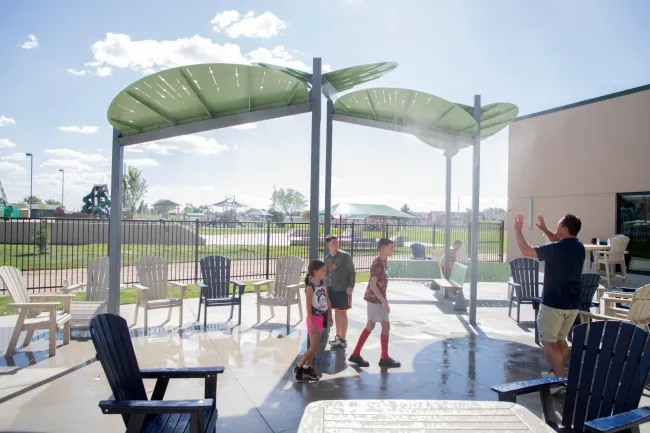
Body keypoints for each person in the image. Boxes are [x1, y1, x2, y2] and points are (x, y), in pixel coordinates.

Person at [513, 213, 585, 385]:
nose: (556, 227)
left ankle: (559, 381)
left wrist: (518, 231)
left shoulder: (556, 249)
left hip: (553, 304)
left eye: (558, 225)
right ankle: (556, 373)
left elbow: (526, 250)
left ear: (565, 229)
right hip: (572, 305)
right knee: (560, 340)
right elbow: (559, 242)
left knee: (548, 341)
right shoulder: (579, 247)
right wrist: (545, 230)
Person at [348, 238, 401, 368]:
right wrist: (384, 302)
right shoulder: (377, 263)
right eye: (391, 248)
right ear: (383, 249)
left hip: (376, 299)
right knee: (382, 325)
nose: (393, 250)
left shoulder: (383, 261)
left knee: (375, 325)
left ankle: (358, 354)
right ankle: (382, 358)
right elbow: (373, 285)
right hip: (376, 299)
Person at [294, 260, 332, 382]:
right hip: (314, 318)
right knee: (313, 346)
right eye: (323, 270)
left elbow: (327, 300)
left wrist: (330, 315)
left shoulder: (322, 283)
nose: (325, 272)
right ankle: (299, 367)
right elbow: (308, 307)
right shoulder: (310, 287)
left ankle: (307, 367)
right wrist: (312, 323)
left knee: (315, 346)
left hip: (322, 317)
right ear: (315, 271)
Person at [324, 235, 356, 349]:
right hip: (333, 288)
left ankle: (343, 338)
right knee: (336, 311)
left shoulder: (345, 256)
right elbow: (326, 273)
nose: (336, 245)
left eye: (337, 242)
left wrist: (351, 286)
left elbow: (352, 272)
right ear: (328, 245)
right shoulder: (327, 259)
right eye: (333, 243)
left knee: (343, 312)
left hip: (344, 288)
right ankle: (338, 336)